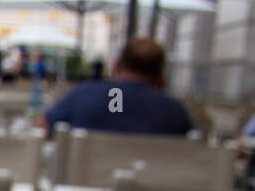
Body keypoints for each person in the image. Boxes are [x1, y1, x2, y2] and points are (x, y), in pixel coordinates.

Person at [36, 37, 192, 135]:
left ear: (116, 65)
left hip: (79, 185)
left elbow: (42, 127)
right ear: (160, 74)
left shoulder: (83, 94)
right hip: (150, 186)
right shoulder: (175, 111)